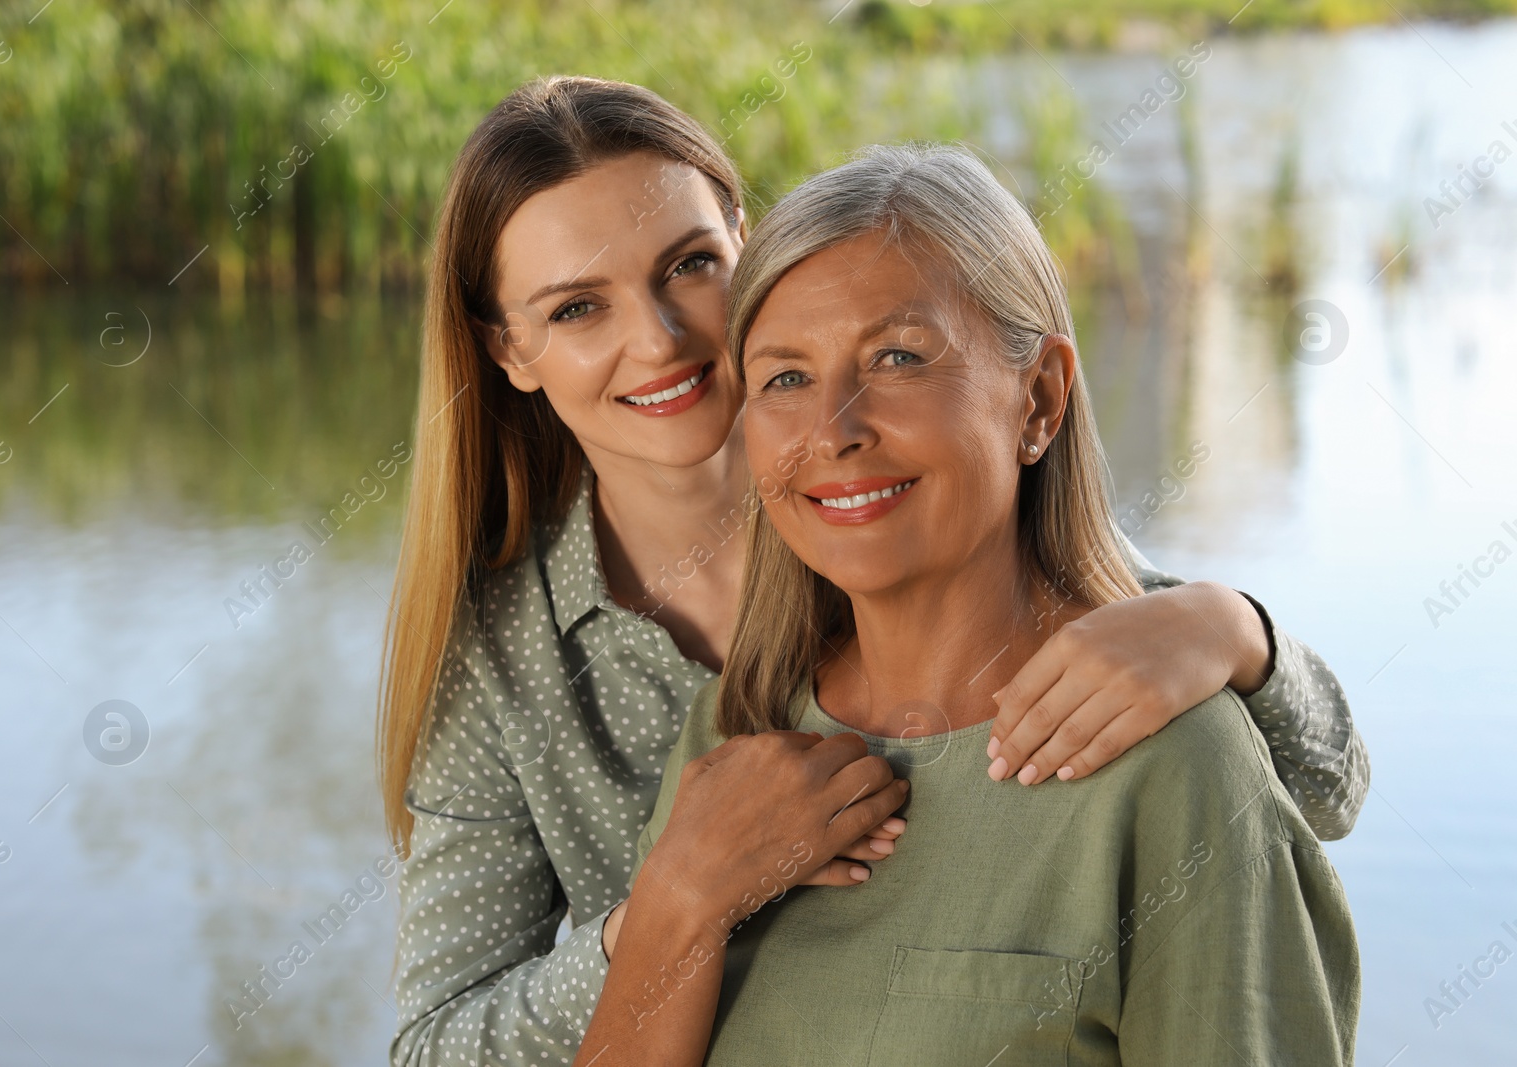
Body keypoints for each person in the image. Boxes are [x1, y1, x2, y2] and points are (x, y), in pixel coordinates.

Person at [381, 78, 1368, 1066]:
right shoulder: (550, 671)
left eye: (687, 265)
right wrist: (671, 909)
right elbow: (437, 1043)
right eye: (578, 307)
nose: (658, 338)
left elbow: (1309, 784)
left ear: (745, 243)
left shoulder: (936, 511)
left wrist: (1234, 629)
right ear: (508, 348)